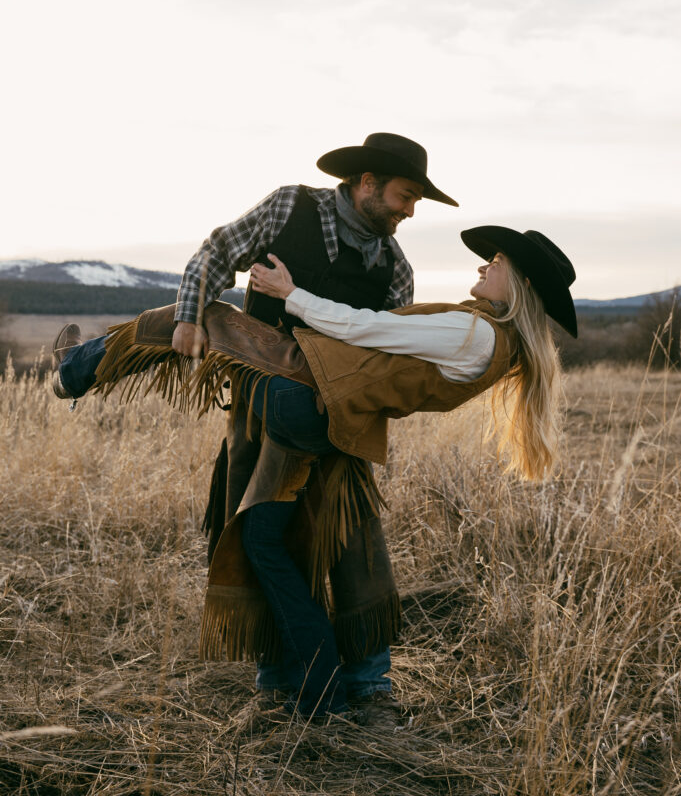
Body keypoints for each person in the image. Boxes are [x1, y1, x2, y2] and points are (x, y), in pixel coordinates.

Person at [52, 224, 577, 726]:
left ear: (522, 284)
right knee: (262, 542)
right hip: (323, 416)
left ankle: (74, 369)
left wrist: (289, 292)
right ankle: (322, 694)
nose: (485, 265)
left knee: (202, 316)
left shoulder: (476, 333)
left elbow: (370, 325)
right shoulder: (497, 346)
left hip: (300, 397)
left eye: (498, 261)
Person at [52, 132, 458, 727]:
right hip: (259, 402)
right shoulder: (289, 207)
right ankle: (279, 687)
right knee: (263, 530)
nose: (409, 210)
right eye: (405, 195)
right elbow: (216, 253)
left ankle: (370, 689)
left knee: (350, 540)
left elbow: (387, 352)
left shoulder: (395, 268)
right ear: (366, 183)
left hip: (339, 412)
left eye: (416, 199)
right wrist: (190, 317)